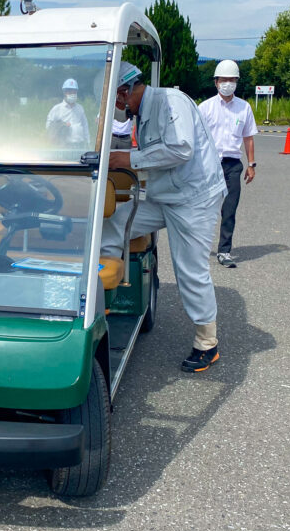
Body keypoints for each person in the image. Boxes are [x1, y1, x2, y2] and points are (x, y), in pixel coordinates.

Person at [101, 62, 227, 372]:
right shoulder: (141, 113)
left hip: (193, 198)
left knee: (190, 269)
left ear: (124, 91)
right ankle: (103, 294)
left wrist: (128, 158)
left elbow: (181, 149)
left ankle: (206, 343)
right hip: (165, 194)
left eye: (115, 100)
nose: (116, 106)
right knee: (114, 219)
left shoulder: (171, 100)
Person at [198, 60, 258, 268]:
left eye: (232, 80)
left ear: (237, 82)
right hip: (209, 164)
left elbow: (248, 137)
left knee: (229, 209)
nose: (228, 83)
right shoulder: (205, 108)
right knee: (205, 208)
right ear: (216, 82)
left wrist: (252, 164)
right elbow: (197, 138)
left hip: (233, 164)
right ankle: (199, 248)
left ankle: (224, 251)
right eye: (224, 79)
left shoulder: (244, 107)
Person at [46, 78, 91, 149]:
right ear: (65, 92)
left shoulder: (80, 108)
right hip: (64, 146)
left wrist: (88, 142)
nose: (72, 94)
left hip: (80, 145)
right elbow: (49, 126)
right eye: (70, 92)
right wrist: (61, 125)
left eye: (74, 92)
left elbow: (85, 126)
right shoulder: (57, 108)